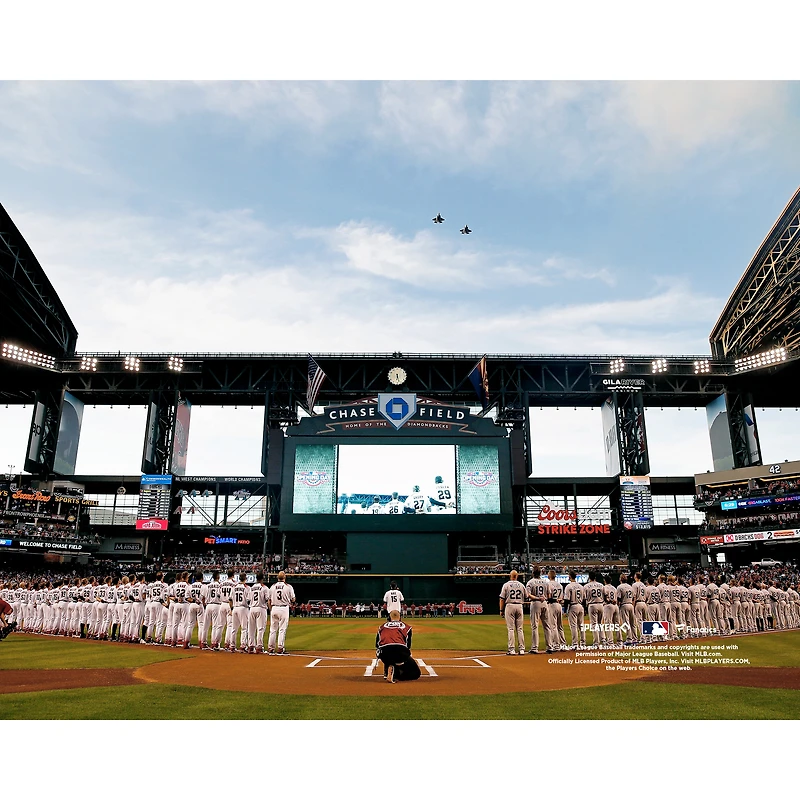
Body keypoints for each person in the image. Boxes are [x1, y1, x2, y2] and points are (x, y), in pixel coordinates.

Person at [375, 609, 419, 683]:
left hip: (384, 654)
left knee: (386, 650)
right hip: (400, 653)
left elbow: (377, 644)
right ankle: (396, 673)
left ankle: (388, 670)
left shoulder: (382, 627)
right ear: (400, 617)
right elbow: (407, 645)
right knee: (416, 674)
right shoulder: (407, 627)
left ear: (389, 617)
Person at [499, 569, 527, 655]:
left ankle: (512, 649)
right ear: (517, 576)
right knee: (520, 629)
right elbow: (526, 596)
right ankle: (522, 649)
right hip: (519, 606)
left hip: (510, 606)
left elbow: (502, 598)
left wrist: (501, 610)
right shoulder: (522, 585)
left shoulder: (506, 585)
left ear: (510, 576)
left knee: (511, 629)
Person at [268, 571, 295, 655]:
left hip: (274, 608)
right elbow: (293, 599)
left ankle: (271, 648)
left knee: (273, 629)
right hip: (283, 608)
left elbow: (269, 600)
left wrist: (271, 609)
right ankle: (280, 648)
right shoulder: (288, 587)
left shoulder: (272, 587)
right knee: (282, 629)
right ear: (284, 577)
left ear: (277, 578)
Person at [525, 566, 551, 654]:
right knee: (547, 625)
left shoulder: (530, 582)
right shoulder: (545, 582)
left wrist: (537, 597)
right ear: (540, 573)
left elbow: (528, 595)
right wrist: (544, 598)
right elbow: (549, 595)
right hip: (544, 603)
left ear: (533, 573)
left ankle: (535, 648)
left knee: (535, 626)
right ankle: (550, 647)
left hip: (535, 603)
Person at [563, 571, 585, 649]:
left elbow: (567, 600)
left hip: (573, 606)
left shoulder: (569, 586)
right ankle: (583, 643)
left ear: (570, 577)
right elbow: (584, 599)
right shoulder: (581, 586)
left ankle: (575, 644)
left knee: (574, 626)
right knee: (581, 626)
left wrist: (565, 611)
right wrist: (584, 609)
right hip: (580, 606)